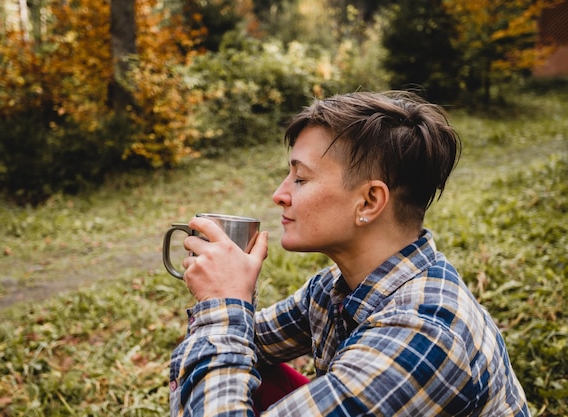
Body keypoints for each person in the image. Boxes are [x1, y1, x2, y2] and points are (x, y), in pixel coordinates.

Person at [169, 91, 530, 416]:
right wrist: (229, 307)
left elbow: (218, 336)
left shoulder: (424, 334)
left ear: (369, 201)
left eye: (301, 179)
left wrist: (222, 304)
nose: (279, 195)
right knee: (236, 358)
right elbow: (239, 341)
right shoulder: (334, 289)